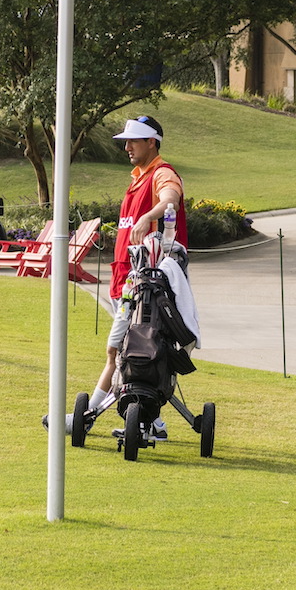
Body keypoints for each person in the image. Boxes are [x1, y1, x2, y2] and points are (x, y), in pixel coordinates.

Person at [87, 115, 186, 437]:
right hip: (126, 282)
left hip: (146, 290)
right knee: (131, 354)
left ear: (152, 142)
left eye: (134, 141)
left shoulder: (162, 173)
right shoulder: (137, 179)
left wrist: (149, 216)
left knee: (121, 352)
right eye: (126, 141)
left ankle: (88, 415)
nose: (127, 147)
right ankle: (154, 423)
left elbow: (170, 198)